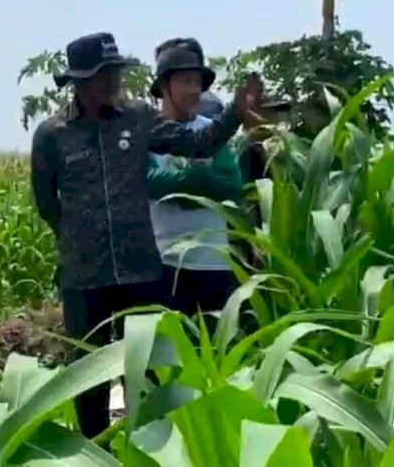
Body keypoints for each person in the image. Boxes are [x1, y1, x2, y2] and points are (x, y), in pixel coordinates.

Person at [30, 32, 262, 439]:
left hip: (140, 271)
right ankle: (95, 453)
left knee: (148, 372)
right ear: (80, 82)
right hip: (85, 276)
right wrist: (78, 238)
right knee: (89, 375)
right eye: (105, 75)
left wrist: (233, 117)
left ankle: (151, 449)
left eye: (117, 72)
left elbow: (197, 142)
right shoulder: (52, 135)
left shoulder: (137, 119)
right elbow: (47, 201)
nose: (114, 83)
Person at [146, 38, 244, 316]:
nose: (194, 90)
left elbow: (231, 185)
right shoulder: (148, 133)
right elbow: (149, 182)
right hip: (167, 263)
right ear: (164, 86)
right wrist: (197, 181)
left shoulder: (211, 133)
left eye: (197, 82)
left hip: (215, 263)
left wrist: (181, 189)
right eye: (186, 81)